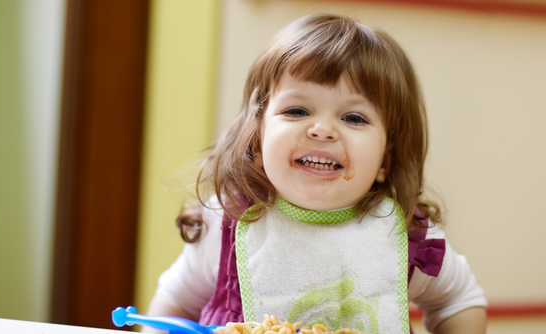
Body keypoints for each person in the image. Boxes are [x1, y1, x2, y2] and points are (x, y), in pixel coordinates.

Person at [145, 14, 487, 334]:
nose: (323, 130)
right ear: (258, 141)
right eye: (297, 110)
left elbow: (461, 300)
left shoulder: (405, 234)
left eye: (354, 118)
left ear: (386, 158)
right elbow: (175, 303)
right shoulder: (228, 220)